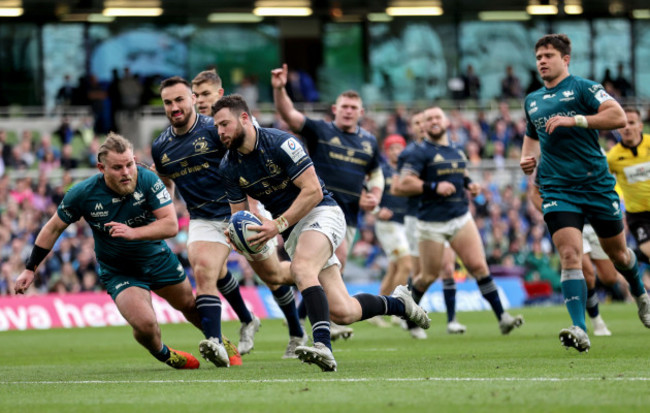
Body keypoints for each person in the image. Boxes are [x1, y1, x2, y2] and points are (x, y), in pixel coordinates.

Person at [214, 94, 430, 372]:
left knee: (303, 268)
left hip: (322, 212)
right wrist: (238, 238)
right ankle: (400, 304)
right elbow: (238, 216)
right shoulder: (228, 166)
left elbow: (313, 191)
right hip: (293, 231)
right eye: (217, 126)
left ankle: (322, 346)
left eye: (225, 124)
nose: (220, 132)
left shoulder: (282, 142)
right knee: (344, 311)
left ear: (244, 118)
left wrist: (276, 225)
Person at [14, 133, 201, 370]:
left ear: (134, 160)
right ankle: (165, 354)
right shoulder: (83, 193)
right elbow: (52, 228)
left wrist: (133, 233)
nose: (126, 172)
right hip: (120, 271)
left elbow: (171, 225)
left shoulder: (148, 180)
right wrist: (31, 267)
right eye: (117, 167)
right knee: (145, 325)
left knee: (190, 305)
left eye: (129, 164)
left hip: (157, 259)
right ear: (101, 168)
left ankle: (218, 341)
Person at [520, 34, 650, 353]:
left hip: (595, 184)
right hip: (556, 187)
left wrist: (575, 120)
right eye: (538, 56)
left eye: (548, 55)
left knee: (619, 256)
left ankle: (642, 295)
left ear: (565, 59)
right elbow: (530, 135)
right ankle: (580, 327)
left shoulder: (584, 88)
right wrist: (526, 158)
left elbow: (617, 116)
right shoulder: (532, 100)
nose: (542, 61)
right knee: (569, 255)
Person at [190, 69, 308, 359]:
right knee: (208, 269)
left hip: (246, 208)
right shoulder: (190, 131)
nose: (199, 101)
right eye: (196, 95)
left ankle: (297, 327)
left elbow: (257, 163)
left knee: (272, 275)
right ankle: (244, 320)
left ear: (219, 94)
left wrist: (253, 211)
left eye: (206, 94)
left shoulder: (236, 124)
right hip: (213, 214)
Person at [272, 63, 384, 339]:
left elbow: (376, 173)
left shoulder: (369, 143)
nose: (348, 111)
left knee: (325, 269)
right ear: (335, 109)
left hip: (350, 214)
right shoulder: (320, 131)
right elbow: (289, 114)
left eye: (353, 107)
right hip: (318, 210)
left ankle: (300, 317)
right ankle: (314, 321)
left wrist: (376, 196)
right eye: (343, 106)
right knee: (334, 260)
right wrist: (279, 89)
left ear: (361, 112)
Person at [395, 106, 525, 337]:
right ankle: (408, 314)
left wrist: (470, 185)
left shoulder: (456, 149)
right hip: (431, 223)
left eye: (438, 117)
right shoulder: (418, 152)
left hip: (460, 216)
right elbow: (403, 185)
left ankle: (503, 318)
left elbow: (459, 174)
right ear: (423, 126)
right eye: (429, 118)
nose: (434, 121)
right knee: (427, 276)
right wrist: (433, 187)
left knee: (479, 266)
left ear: (446, 122)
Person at [392, 112, 466, 339]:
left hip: (445, 215)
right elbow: (397, 188)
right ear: (415, 127)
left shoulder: (444, 150)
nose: (423, 127)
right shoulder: (410, 154)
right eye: (417, 123)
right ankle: (408, 313)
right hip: (417, 217)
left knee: (447, 267)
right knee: (421, 273)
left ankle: (452, 320)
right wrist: (427, 186)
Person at [367, 134, 411, 328]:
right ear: (386, 151)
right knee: (407, 264)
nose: (396, 151)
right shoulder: (382, 171)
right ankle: (397, 308)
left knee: (395, 268)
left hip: (405, 223)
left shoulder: (408, 171)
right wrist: (377, 211)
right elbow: (368, 194)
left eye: (398, 148)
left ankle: (373, 311)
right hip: (388, 224)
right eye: (391, 148)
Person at [607, 107, 650, 265]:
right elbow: (603, 182)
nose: (627, 127)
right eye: (623, 123)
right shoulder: (612, 157)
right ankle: (626, 256)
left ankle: (629, 256)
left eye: (631, 123)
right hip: (638, 217)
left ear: (640, 125)